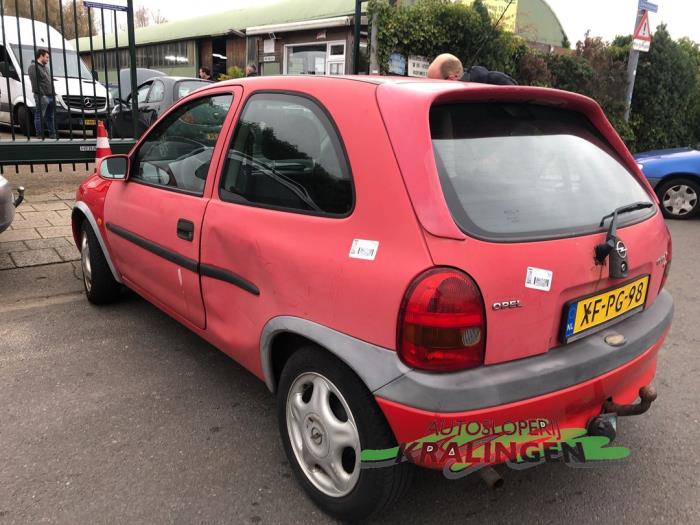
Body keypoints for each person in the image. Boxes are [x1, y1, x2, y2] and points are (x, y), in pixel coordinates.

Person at [28, 49, 56, 139]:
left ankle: (53, 135)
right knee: (39, 115)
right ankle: (40, 135)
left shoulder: (46, 68)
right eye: (47, 57)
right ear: (41, 56)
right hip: (41, 96)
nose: (48, 59)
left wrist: (54, 94)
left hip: (51, 95)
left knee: (50, 116)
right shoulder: (33, 67)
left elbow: (49, 82)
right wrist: (43, 95)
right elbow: (35, 83)